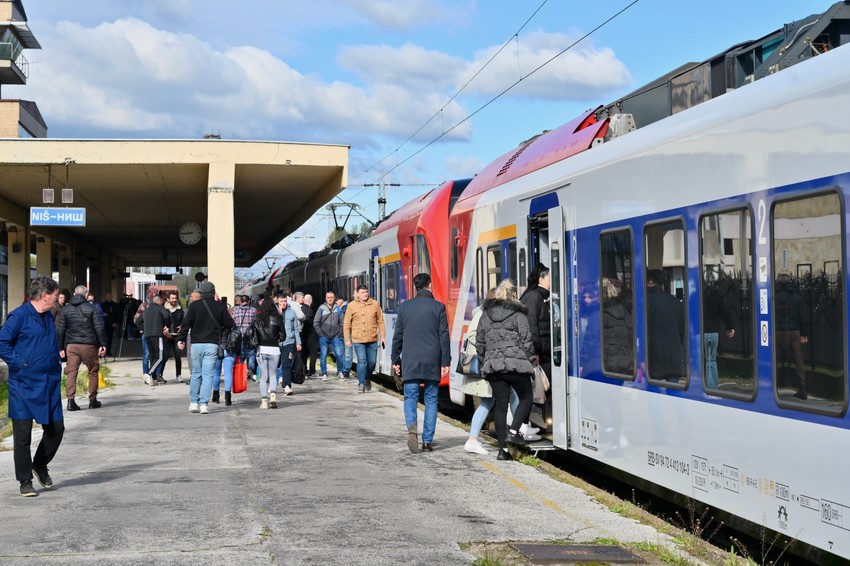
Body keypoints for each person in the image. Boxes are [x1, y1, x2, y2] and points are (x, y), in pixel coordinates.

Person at [0, 276, 64, 497]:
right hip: (24, 385)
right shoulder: (19, 316)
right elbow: (2, 343)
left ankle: (39, 464)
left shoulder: (48, 315)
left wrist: (56, 360)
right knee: (23, 436)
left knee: (56, 430)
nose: (57, 300)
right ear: (44, 295)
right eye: (55, 296)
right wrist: (21, 364)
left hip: (48, 384)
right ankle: (25, 481)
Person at [464, 289, 534, 455]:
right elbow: (527, 340)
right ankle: (514, 431)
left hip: (494, 367)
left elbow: (479, 342)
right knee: (526, 397)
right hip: (515, 365)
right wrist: (530, 362)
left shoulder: (485, 316)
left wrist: (485, 361)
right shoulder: (518, 314)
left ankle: (503, 451)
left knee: (501, 407)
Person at [391, 273, 450, 453]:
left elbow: (397, 336)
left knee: (410, 397)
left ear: (416, 287)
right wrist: (445, 360)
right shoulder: (439, 307)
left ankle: (412, 427)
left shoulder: (405, 307)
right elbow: (444, 336)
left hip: (410, 359)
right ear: (429, 285)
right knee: (431, 399)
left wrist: (395, 359)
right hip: (432, 359)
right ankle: (427, 442)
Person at [176, 281, 235, 414]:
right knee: (208, 375)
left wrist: (181, 340)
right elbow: (230, 324)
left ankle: (193, 403)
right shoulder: (220, 307)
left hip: (196, 344)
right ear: (214, 293)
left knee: (196, 374)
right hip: (212, 345)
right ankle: (204, 405)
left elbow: (185, 324)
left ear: (201, 293)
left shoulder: (194, 306)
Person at [57, 285, 108, 410]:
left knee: (71, 372)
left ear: (74, 294)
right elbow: (99, 328)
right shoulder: (92, 308)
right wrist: (102, 344)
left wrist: (60, 348)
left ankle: (70, 401)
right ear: (86, 295)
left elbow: (61, 330)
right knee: (93, 371)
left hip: (72, 346)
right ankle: (92, 400)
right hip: (88, 345)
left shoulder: (66, 309)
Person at [344, 284, 386, 393]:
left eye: (366, 292)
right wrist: (347, 339)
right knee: (362, 361)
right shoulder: (351, 305)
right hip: (358, 339)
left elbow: (380, 321)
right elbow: (347, 323)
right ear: (357, 293)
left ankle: (367, 378)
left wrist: (383, 337)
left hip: (372, 338)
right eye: (362, 292)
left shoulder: (375, 304)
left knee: (372, 363)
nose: (365, 294)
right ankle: (361, 383)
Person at [646, 269, 685, 382]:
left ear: (650, 282)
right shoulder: (675, 301)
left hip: (654, 356)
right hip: (673, 356)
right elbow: (681, 329)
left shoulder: (646, 302)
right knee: (674, 394)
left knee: (653, 394)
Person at [775, 271, 809, 399]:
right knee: (798, 361)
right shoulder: (796, 295)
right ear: (790, 281)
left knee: (773, 361)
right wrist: (804, 334)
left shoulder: (773, 295)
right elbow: (802, 316)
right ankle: (803, 388)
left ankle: (773, 387)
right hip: (794, 332)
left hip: (777, 332)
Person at [250, 295, 286, 409]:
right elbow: (283, 336)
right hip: (274, 349)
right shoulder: (278, 318)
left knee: (263, 376)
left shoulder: (257, 318)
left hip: (261, 349)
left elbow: (252, 333)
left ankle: (264, 401)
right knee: (273, 374)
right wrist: (278, 339)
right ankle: (273, 397)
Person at [520, 263, 552, 383]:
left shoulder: (540, 297)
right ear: (541, 279)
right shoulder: (535, 298)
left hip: (545, 352)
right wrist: (535, 352)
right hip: (541, 355)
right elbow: (532, 326)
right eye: (549, 279)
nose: (551, 283)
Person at [703, 274, 735, 390]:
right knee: (713, 360)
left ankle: (708, 385)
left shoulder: (701, 295)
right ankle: (714, 386)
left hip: (704, 332)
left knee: (707, 360)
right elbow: (725, 312)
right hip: (714, 331)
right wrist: (730, 327)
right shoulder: (718, 295)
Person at [314, 291, 345, 381]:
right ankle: (324, 373)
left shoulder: (338, 309)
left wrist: (339, 334)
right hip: (324, 336)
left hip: (335, 336)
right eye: (328, 297)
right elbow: (316, 323)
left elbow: (342, 323)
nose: (330, 299)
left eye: (331, 297)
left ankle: (340, 371)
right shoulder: (321, 309)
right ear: (325, 298)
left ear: (334, 298)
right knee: (323, 356)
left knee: (339, 354)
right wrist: (320, 334)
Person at [142, 294, 171, 385]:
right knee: (160, 357)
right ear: (160, 301)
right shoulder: (161, 308)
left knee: (153, 357)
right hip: (157, 335)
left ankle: (153, 379)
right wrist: (167, 326)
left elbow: (137, 321)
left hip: (147, 335)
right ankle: (148, 373)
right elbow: (167, 316)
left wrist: (144, 328)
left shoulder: (146, 311)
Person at [277, 294, 301, 395]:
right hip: (276, 343)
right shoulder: (275, 313)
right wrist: (279, 313)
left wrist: (298, 343)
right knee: (274, 366)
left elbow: (296, 329)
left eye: (285, 301)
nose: (283, 303)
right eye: (281, 301)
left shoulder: (292, 312)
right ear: (278, 302)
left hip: (289, 342)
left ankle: (287, 386)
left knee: (286, 365)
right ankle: (272, 385)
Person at [230, 294, 257, 380]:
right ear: (249, 301)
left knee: (241, 355)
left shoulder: (235, 310)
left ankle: (240, 370)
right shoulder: (253, 310)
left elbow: (232, 322)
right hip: (250, 337)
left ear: (241, 301)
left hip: (239, 337)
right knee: (251, 354)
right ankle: (251, 369)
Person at [164, 292, 185, 383]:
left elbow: (184, 321)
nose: (174, 300)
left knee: (178, 357)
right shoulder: (164, 309)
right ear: (168, 299)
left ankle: (179, 375)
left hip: (177, 336)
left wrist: (182, 326)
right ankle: (159, 374)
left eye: (175, 298)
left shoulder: (180, 310)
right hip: (166, 336)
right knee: (164, 356)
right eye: (172, 298)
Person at [301, 293, 319, 377]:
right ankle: (312, 370)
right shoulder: (309, 310)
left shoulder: (300, 308)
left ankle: (304, 369)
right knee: (313, 352)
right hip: (310, 334)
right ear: (311, 301)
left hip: (302, 334)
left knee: (304, 353)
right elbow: (308, 320)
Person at [336, 297, 352, 379]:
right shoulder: (340, 308)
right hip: (344, 333)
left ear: (341, 300)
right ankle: (345, 370)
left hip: (343, 333)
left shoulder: (345, 308)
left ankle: (343, 370)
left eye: (337, 300)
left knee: (343, 353)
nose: (336, 302)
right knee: (346, 353)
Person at [101, 292, 120, 357]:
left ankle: (108, 350)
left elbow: (118, 315)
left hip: (112, 324)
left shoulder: (116, 305)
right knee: (103, 337)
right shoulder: (102, 305)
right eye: (107, 296)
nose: (108, 297)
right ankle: (103, 351)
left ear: (112, 297)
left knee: (110, 338)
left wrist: (116, 322)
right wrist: (102, 314)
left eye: (110, 296)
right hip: (104, 323)